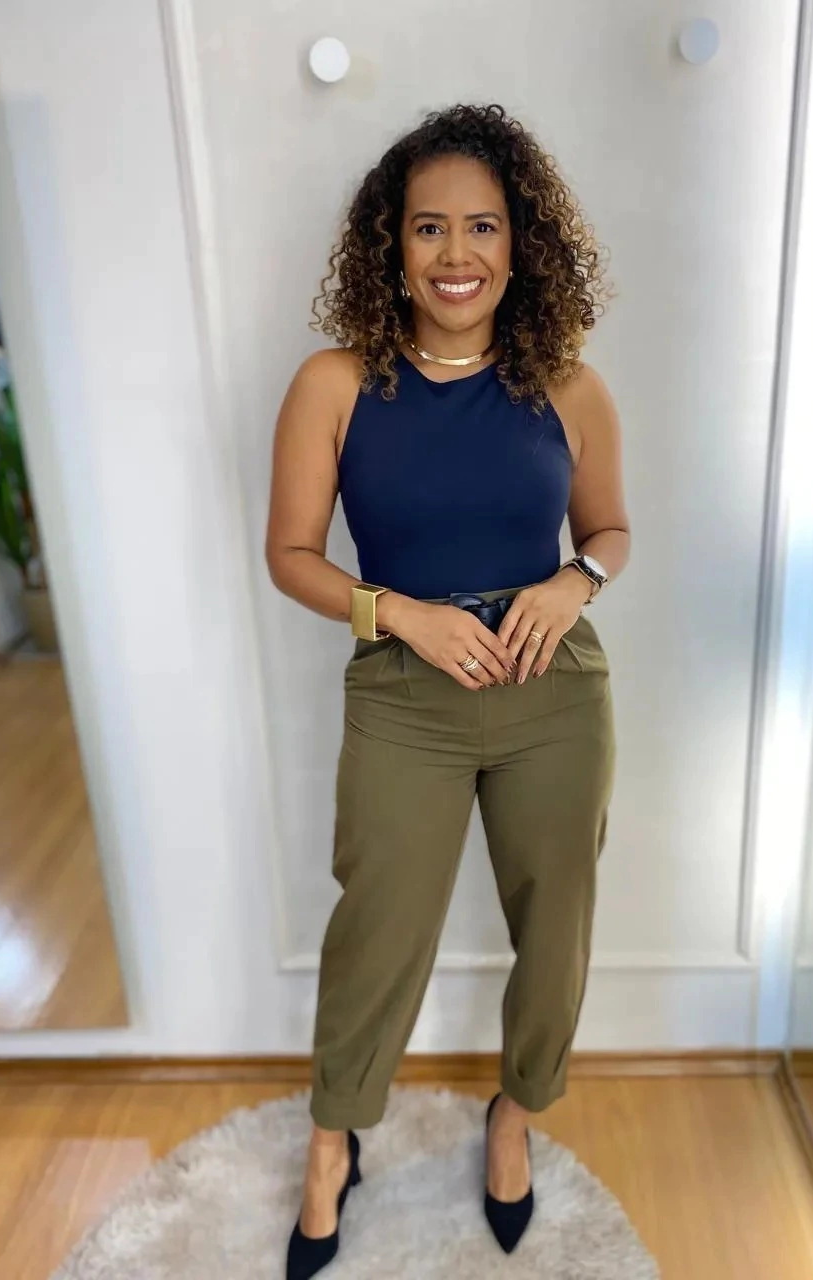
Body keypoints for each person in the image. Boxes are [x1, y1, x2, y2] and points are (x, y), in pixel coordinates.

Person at [265, 102, 630, 1278]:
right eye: (430, 227)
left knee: (558, 928)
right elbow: (291, 555)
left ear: (522, 244)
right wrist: (403, 614)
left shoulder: (569, 385)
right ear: (394, 243)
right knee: (377, 929)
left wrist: (573, 581)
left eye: (483, 226)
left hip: (551, 691)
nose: (456, 253)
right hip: (402, 693)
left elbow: (611, 532)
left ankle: (513, 1115)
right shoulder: (335, 382)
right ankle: (334, 1139)